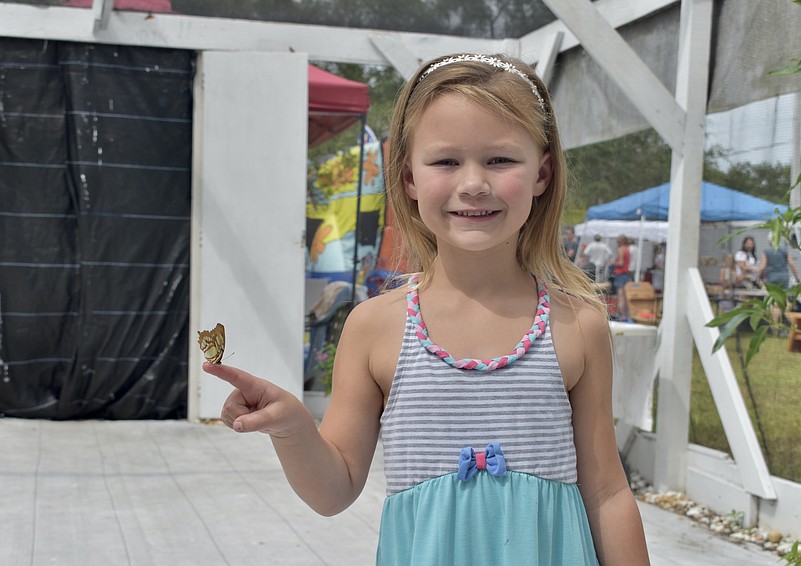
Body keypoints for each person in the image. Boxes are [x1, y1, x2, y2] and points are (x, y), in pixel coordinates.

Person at [203, 53, 649, 565]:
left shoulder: (579, 324)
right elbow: (333, 491)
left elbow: (607, 494)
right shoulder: (374, 327)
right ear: (409, 178)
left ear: (542, 173)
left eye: (500, 160)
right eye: (446, 162)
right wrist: (293, 428)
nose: (473, 183)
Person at [612, 235, 632, 320]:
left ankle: (621, 315)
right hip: (626, 274)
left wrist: (613, 262)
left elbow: (621, 263)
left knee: (620, 296)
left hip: (620, 274)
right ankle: (625, 315)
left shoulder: (621, 249)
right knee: (625, 296)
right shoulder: (627, 249)